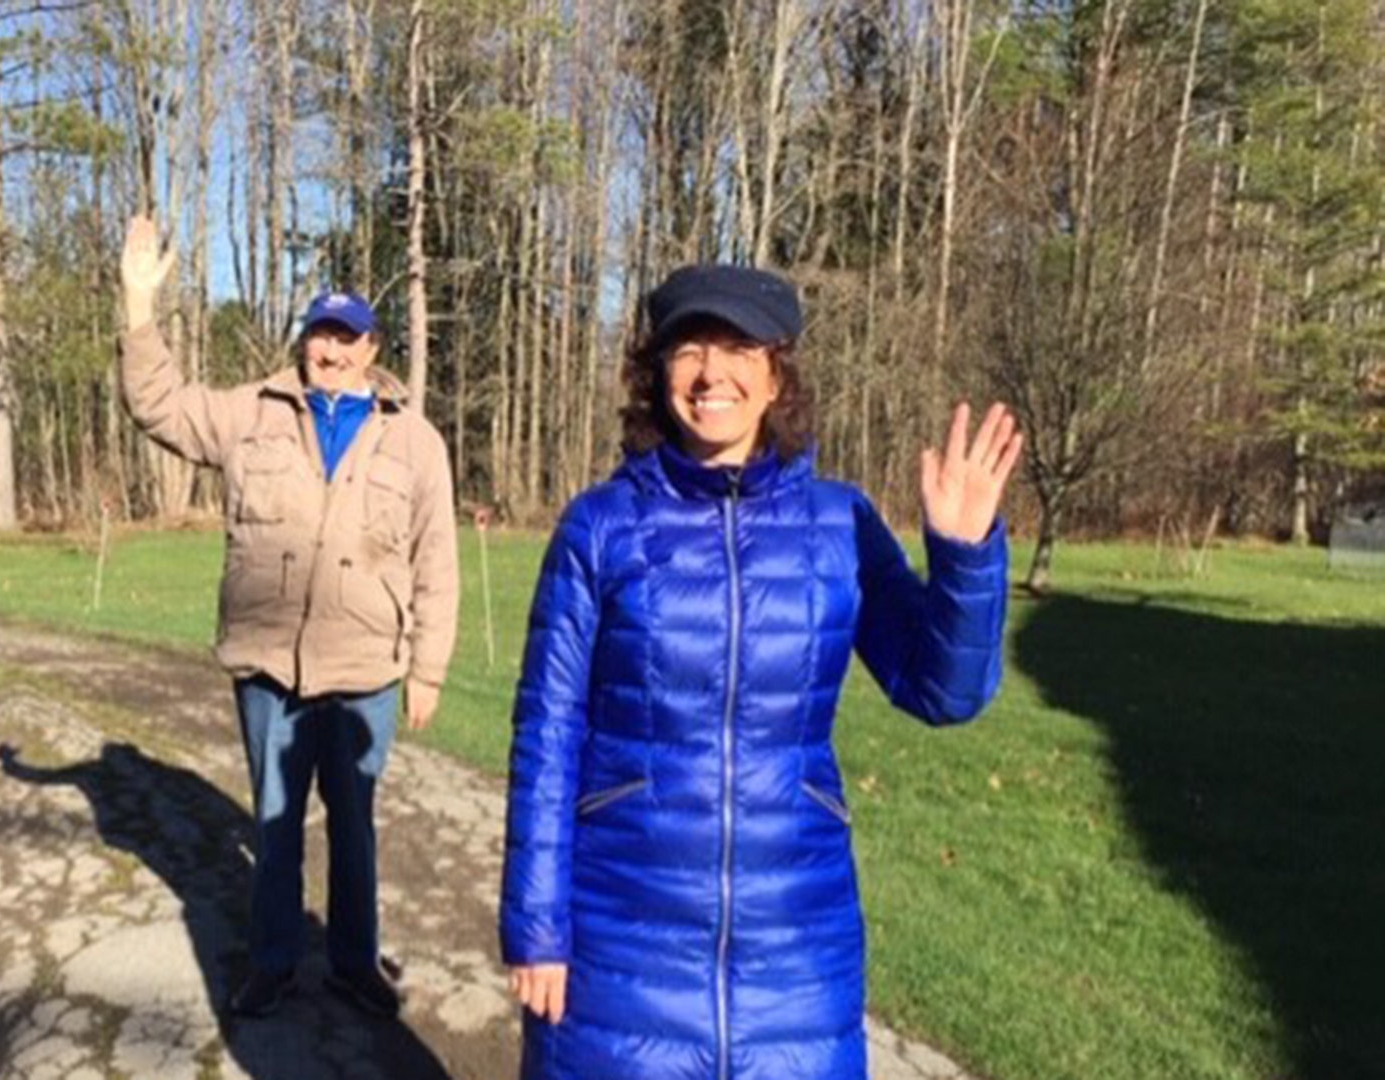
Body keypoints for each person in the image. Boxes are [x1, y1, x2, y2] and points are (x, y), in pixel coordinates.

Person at [498, 264, 1021, 1078]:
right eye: (689, 349)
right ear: (657, 371)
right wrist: (537, 929)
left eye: (739, 347)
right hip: (623, 945)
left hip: (798, 953)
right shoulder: (599, 528)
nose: (713, 373)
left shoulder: (839, 522)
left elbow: (942, 690)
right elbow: (548, 733)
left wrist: (964, 559)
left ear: (777, 373)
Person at [116, 216, 459, 1020]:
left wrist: (430, 668)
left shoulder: (414, 441)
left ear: (372, 349)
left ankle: (353, 962)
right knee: (276, 826)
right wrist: (138, 310)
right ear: (302, 341)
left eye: (346, 338)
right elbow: (159, 405)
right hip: (270, 667)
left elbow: (437, 560)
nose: (330, 351)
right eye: (318, 336)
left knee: (355, 828)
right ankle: (271, 963)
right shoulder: (252, 413)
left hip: (366, 670)